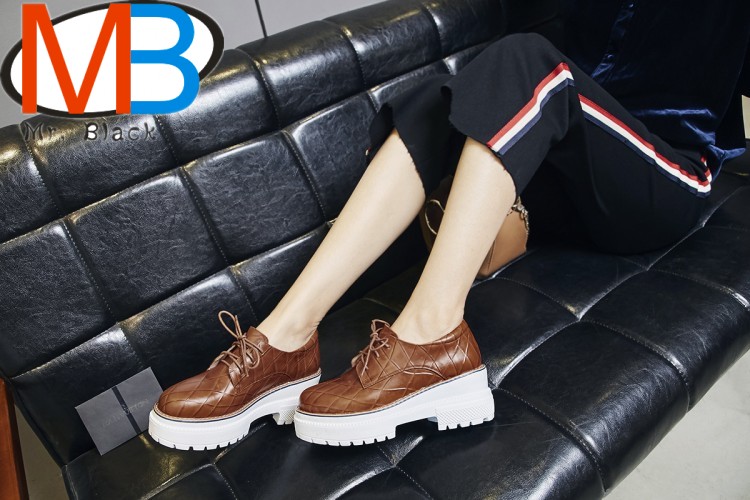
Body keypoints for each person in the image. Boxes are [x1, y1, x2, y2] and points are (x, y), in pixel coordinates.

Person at [148, 0, 750, 449]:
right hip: (564, 173)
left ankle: (433, 335)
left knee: (528, 59)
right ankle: (285, 341)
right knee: (436, 100)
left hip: (660, 177)